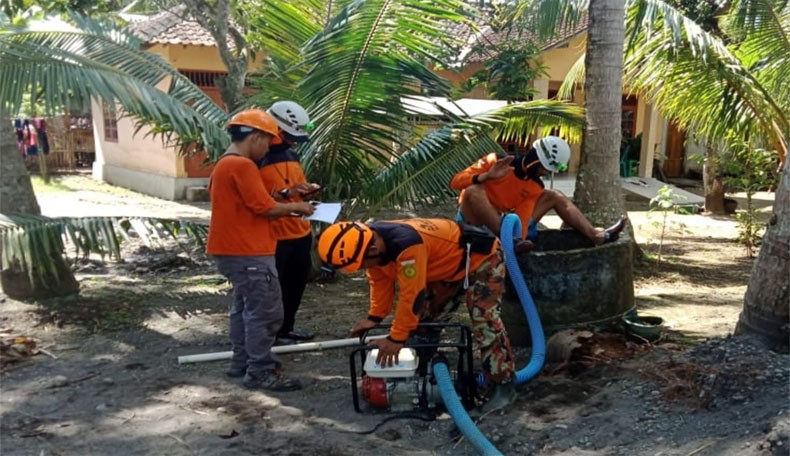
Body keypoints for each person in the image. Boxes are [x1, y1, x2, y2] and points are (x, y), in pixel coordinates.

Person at [317, 218, 518, 413]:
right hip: (443, 267)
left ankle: (503, 386)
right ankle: (422, 371)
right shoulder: (371, 245)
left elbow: (412, 294)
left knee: (485, 321)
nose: (364, 269)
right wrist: (374, 317)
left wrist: (397, 338)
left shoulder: (407, 245)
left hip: (481, 259)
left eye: (362, 265)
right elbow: (379, 281)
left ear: (372, 249)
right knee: (424, 321)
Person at [206, 109, 316, 391]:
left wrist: (287, 194)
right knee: (266, 311)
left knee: (244, 308)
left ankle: (241, 361)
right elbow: (264, 208)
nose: (269, 148)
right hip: (248, 251)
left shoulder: (225, 164)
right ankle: (259, 370)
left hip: (234, 250)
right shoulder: (242, 166)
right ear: (255, 137)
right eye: (267, 141)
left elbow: (256, 200)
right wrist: (298, 207)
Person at [451, 136, 627, 248]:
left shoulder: (534, 186)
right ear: (536, 162)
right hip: (472, 219)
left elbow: (523, 218)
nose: (545, 174)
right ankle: (508, 240)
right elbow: (456, 182)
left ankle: (595, 235)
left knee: (553, 195)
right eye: (544, 169)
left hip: (502, 222)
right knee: (474, 189)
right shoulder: (495, 161)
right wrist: (486, 176)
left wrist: (520, 237)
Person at [259, 101, 321, 346]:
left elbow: (296, 185)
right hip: (274, 235)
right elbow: (257, 200)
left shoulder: (291, 153)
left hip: (300, 231)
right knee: (272, 291)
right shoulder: (255, 158)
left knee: (295, 286)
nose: (292, 142)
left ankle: (286, 329)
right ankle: (266, 336)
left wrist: (307, 190)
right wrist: (287, 193)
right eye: (288, 136)